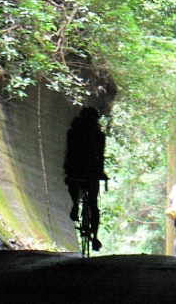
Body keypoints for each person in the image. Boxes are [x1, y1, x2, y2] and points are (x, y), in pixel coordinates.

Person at [63, 106, 108, 252]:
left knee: (73, 185)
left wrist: (68, 170)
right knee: (93, 205)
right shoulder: (99, 136)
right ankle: (94, 237)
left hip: (75, 168)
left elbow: (69, 152)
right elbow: (100, 157)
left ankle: (75, 205)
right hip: (92, 171)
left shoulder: (73, 132)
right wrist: (102, 174)